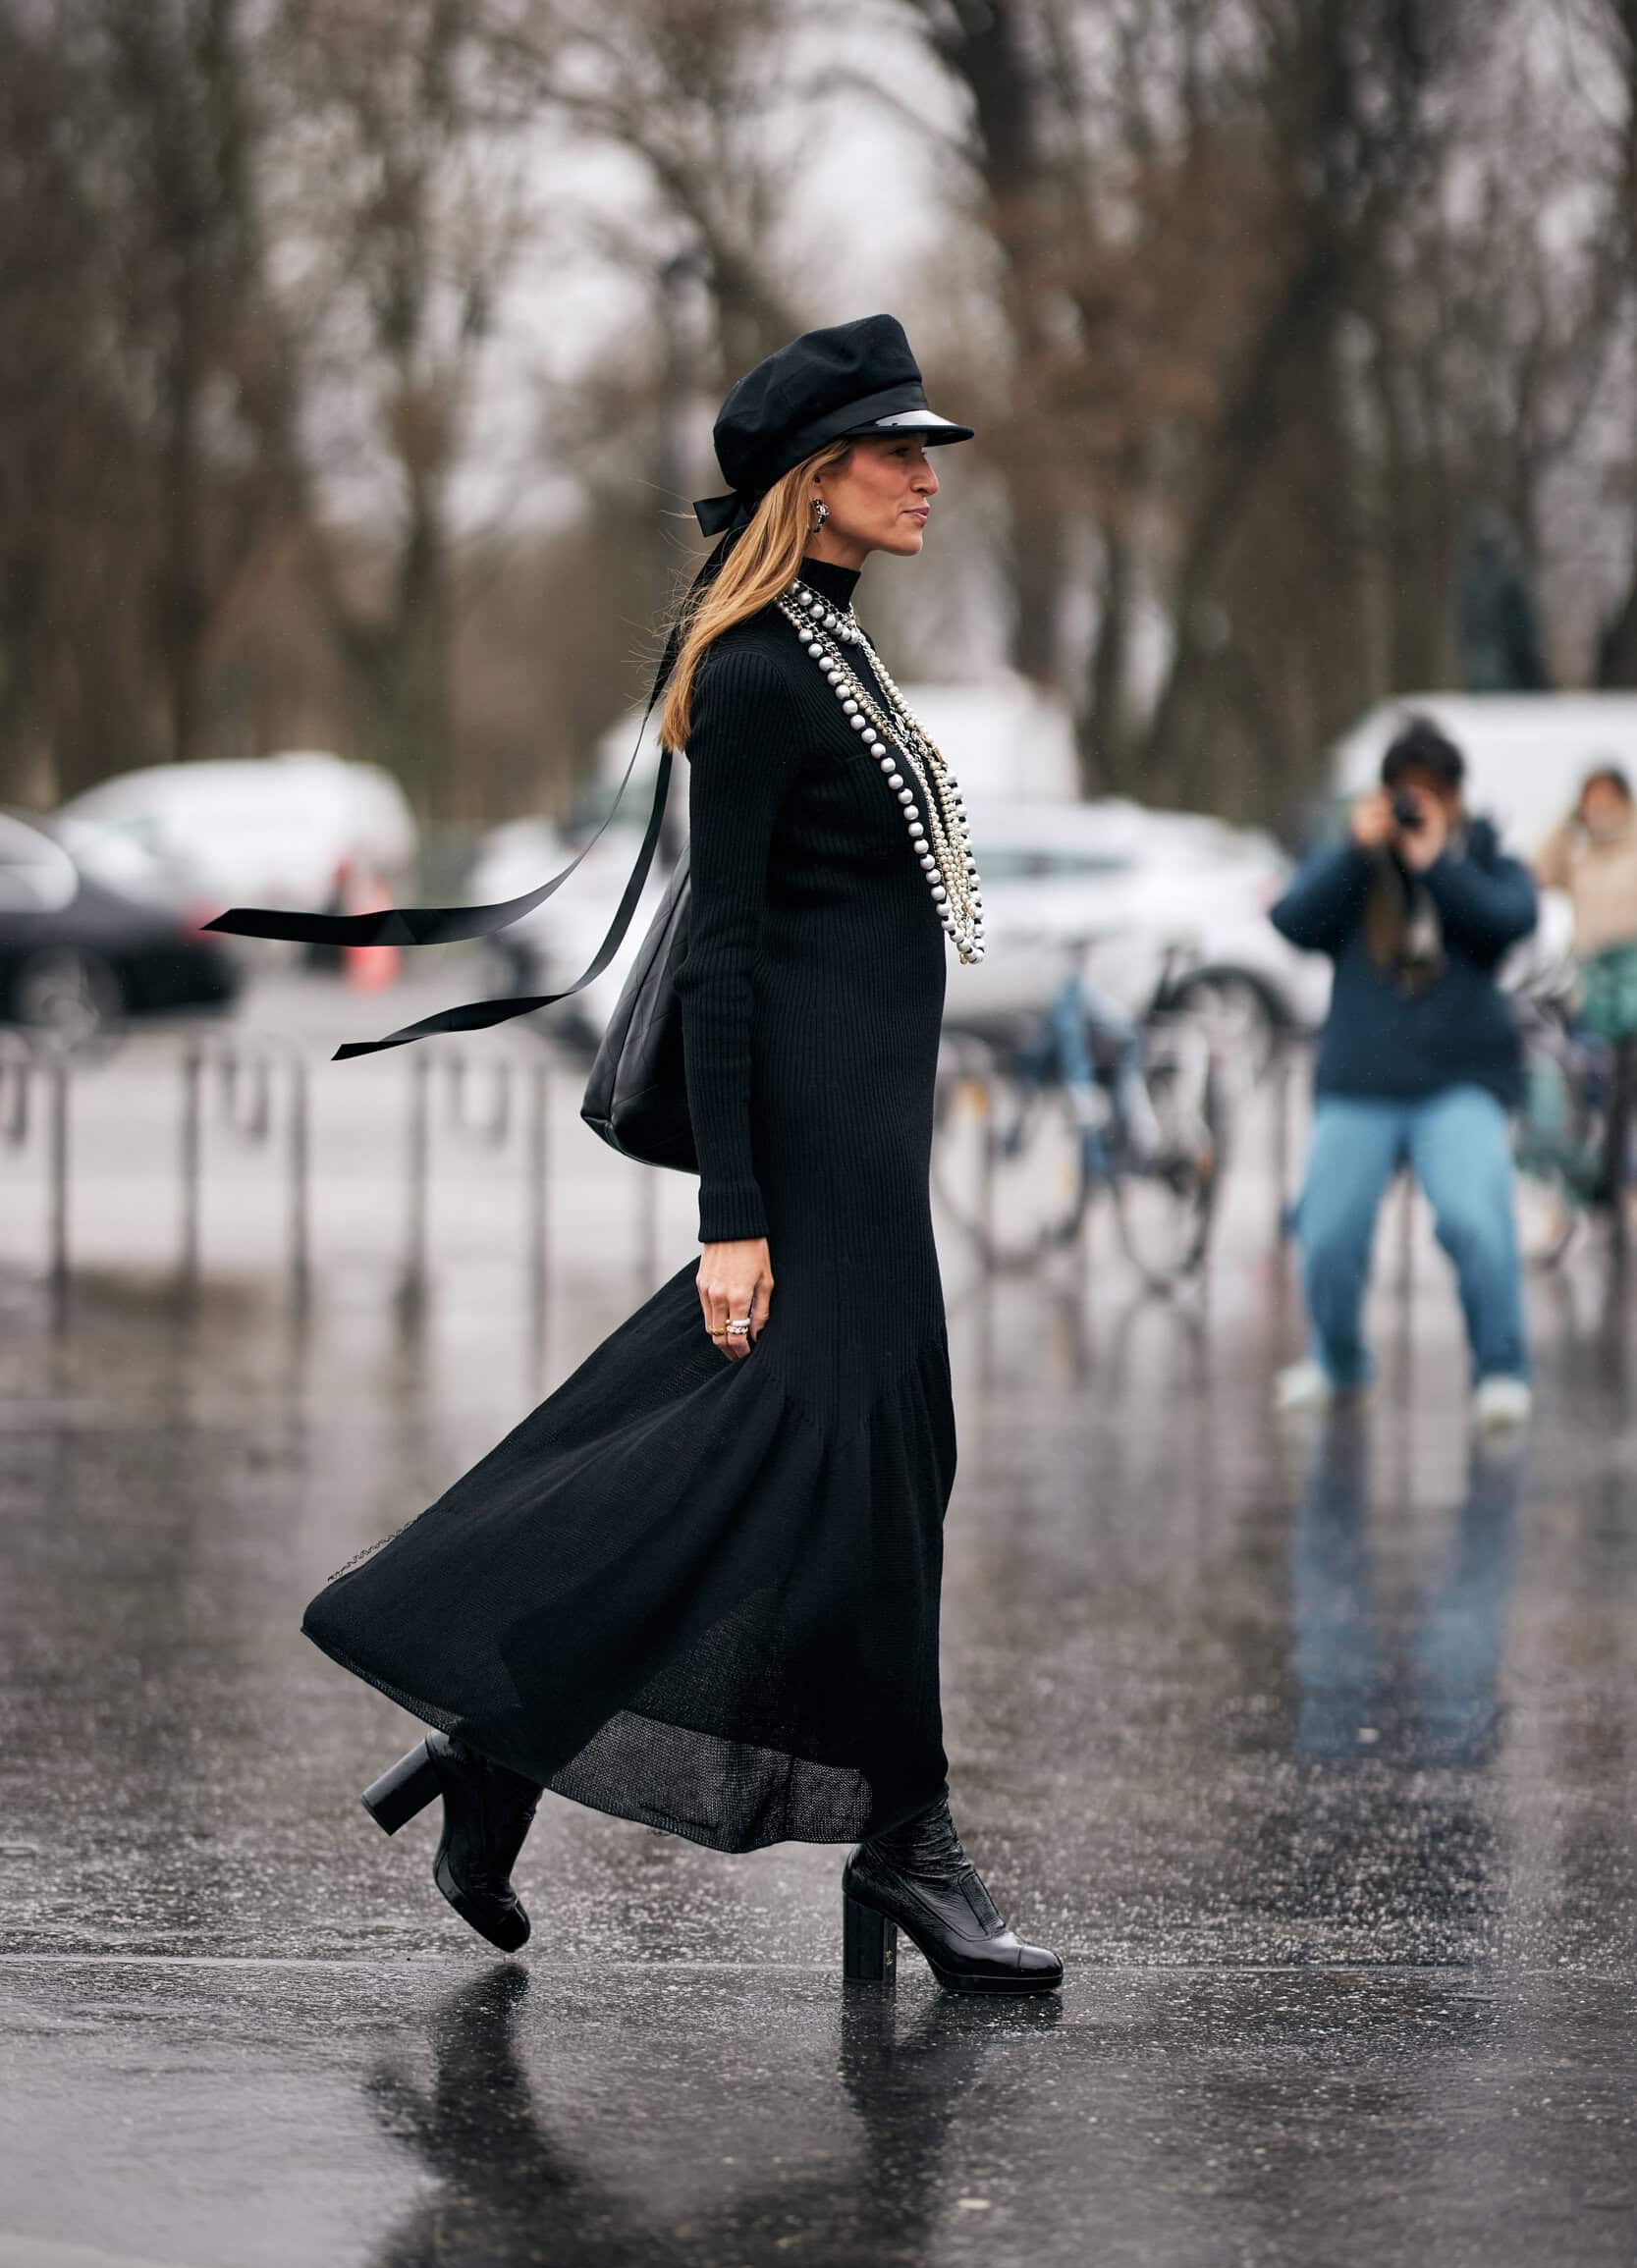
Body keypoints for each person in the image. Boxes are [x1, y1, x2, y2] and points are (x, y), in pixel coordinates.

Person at [262, 317, 1064, 1995]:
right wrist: (732, 1220)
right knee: (855, 1487)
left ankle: (499, 1754)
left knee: (822, 1471)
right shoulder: (763, 669)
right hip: (810, 1166)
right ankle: (904, 1846)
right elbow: (722, 960)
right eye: (893, 451)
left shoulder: (833, 648)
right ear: (811, 482)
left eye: (926, 450)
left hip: (867, 1157)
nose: (926, 476)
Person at [1270, 715, 1538, 1427]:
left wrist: (1436, 865)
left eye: (1430, 792)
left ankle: (1500, 1369)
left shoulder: (1482, 857)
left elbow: (1510, 921)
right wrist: (1352, 853)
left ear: (1454, 796)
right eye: (1403, 792)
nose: (1416, 805)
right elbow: (1290, 920)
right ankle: (1337, 1358)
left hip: (1459, 1084)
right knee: (1324, 1233)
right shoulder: (1358, 866)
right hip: (1360, 1082)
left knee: (1476, 1225)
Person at [1532, 766, 1637, 1209]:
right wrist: (1569, 819)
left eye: (1606, 798)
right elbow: (1537, 871)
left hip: (1632, 979)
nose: (1600, 809)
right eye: (1591, 800)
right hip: (1592, 983)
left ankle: (1619, 1178)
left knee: (1627, 1080)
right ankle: (1601, 1176)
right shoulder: (1581, 856)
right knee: (1589, 1082)